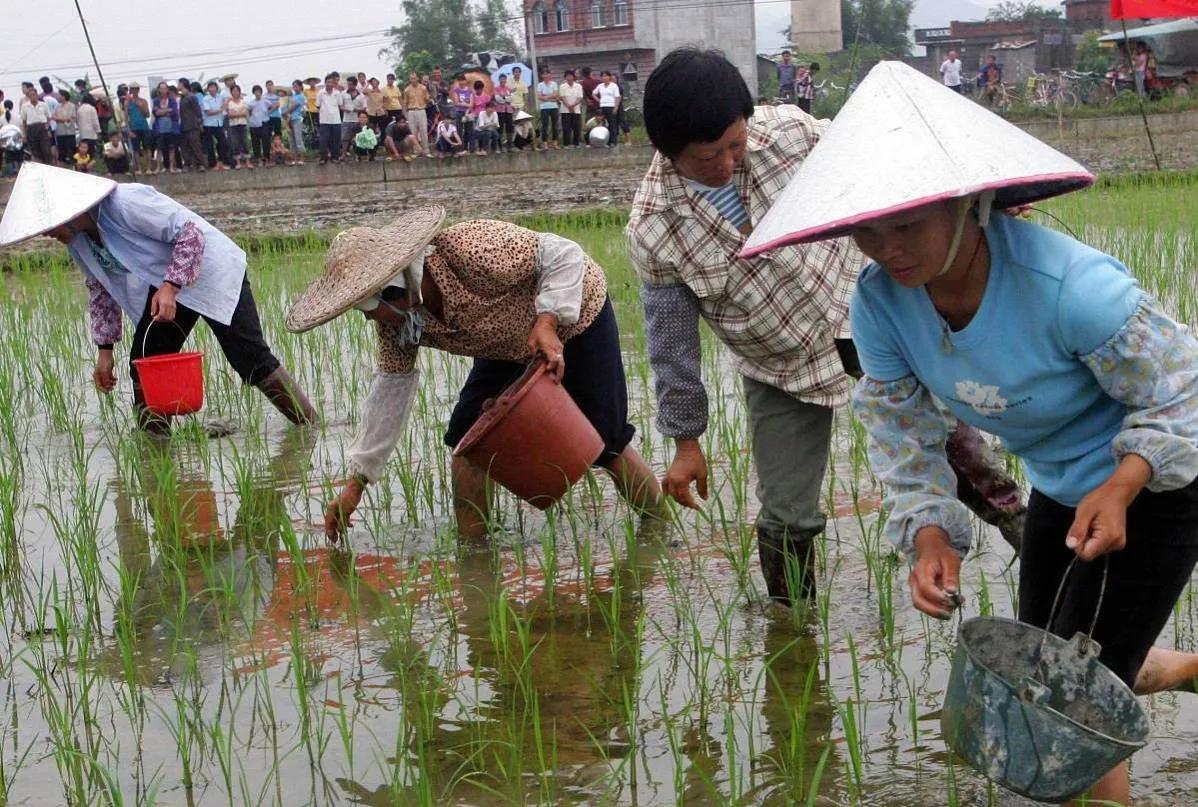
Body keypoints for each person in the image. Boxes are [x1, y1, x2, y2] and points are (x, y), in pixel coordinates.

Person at [747, 60, 1198, 806]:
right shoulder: (881, 305)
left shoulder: (1072, 289)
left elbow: (1184, 391)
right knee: (1042, 671)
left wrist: (1124, 484)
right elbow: (900, 429)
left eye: (905, 224)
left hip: (1161, 485)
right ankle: (1179, 668)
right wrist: (931, 534)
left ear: (965, 203)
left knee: (1069, 710)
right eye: (866, 229)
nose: (887, 248)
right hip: (1060, 487)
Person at [628, 48, 1025, 606]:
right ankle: (793, 623)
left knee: (963, 458)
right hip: (779, 365)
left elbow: (890, 159)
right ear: (668, 152)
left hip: (867, 319)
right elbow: (673, 348)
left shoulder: (789, 134)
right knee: (786, 514)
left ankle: (1041, 549)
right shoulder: (654, 228)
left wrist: (985, 200)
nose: (727, 163)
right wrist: (686, 442)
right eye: (707, 157)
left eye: (735, 145)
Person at [283, 208, 664, 542]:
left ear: (395, 292)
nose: (370, 320)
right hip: (503, 346)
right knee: (468, 441)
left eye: (368, 310)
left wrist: (548, 320)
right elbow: (389, 392)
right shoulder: (398, 325)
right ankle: (474, 547)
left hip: (575, 320)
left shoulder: (469, 247)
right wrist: (357, 483)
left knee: (606, 441)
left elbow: (563, 253)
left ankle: (660, 530)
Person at [0, 163, 318, 433]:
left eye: (45, 225)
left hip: (210, 270)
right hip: (167, 283)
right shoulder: (78, 241)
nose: (44, 233)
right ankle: (155, 450)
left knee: (250, 357)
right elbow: (100, 288)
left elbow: (190, 233)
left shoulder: (125, 202)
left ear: (67, 211)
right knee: (145, 361)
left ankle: (310, 427)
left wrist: (170, 286)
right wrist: (105, 350)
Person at [19, 85, 53, 164]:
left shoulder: (43, 105)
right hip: (31, 129)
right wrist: (24, 135)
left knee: (46, 150)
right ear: (28, 97)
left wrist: (48, 129)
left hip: (42, 128)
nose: (32, 97)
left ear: (37, 95)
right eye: (30, 95)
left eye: (34, 95)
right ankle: (40, 167)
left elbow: (48, 118)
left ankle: (48, 166)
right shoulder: (25, 106)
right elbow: (24, 122)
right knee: (35, 151)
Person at [201, 81, 230, 170]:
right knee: (209, 145)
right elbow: (209, 112)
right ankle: (212, 164)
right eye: (210, 87)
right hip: (208, 124)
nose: (212, 89)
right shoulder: (205, 99)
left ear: (217, 88)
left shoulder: (220, 97)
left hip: (219, 123)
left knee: (223, 143)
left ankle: (222, 161)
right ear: (208, 89)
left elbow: (228, 99)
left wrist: (225, 106)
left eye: (214, 87)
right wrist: (220, 109)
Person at [124, 83, 153, 175]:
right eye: (132, 89)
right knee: (136, 149)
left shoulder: (143, 101)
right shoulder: (127, 102)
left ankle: (149, 168)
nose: (134, 91)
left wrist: (140, 106)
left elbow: (147, 115)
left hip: (144, 127)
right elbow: (126, 117)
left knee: (147, 147)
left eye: (136, 89)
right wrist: (128, 130)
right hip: (133, 127)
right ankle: (139, 168)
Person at [177, 80, 205, 172]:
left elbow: (198, 110)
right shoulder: (182, 97)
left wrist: (200, 123)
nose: (178, 85)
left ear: (183, 85)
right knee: (185, 147)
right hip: (184, 125)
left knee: (196, 146)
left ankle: (200, 164)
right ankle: (187, 164)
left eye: (179, 84)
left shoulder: (191, 96)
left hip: (193, 125)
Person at [316, 74, 344, 164]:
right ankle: (323, 158)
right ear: (325, 83)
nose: (330, 84)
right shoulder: (321, 93)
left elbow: (340, 105)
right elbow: (318, 106)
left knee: (336, 140)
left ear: (334, 83)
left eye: (331, 82)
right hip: (324, 120)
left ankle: (335, 157)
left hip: (336, 119)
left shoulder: (337, 93)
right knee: (323, 140)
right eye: (328, 82)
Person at [152, 83, 179, 174]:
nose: (163, 90)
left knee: (172, 148)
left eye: (164, 88)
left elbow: (174, 111)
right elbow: (156, 113)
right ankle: (158, 167)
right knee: (159, 148)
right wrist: (167, 110)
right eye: (161, 88)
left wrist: (162, 111)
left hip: (171, 128)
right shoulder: (156, 100)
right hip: (160, 128)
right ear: (159, 90)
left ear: (167, 89)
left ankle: (171, 167)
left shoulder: (171, 100)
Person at [402, 72, 430, 155]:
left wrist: (426, 100)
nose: (413, 80)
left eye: (414, 78)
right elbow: (405, 103)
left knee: (423, 130)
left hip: (421, 110)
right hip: (411, 111)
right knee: (413, 132)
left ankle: (426, 149)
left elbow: (427, 98)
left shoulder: (423, 88)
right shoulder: (407, 90)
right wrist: (405, 115)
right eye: (411, 78)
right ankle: (416, 150)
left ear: (417, 78)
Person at [225, 85, 252, 169]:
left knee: (245, 143)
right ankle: (238, 163)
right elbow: (229, 115)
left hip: (243, 124)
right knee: (235, 144)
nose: (235, 92)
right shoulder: (229, 103)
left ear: (239, 92)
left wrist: (235, 113)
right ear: (231, 92)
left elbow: (245, 113)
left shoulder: (243, 102)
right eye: (233, 91)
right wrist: (239, 113)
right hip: (233, 126)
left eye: (237, 90)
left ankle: (248, 162)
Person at [592, 71, 621, 148]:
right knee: (603, 124)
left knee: (612, 125)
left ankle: (613, 142)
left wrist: (616, 107)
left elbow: (617, 97)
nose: (604, 78)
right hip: (603, 107)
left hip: (611, 106)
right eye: (603, 76)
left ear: (609, 77)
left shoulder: (614, 85)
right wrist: (599, 100)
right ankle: (605, 141)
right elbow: (593, 93)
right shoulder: (600, 86)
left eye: (606, 76)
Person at [52, 89, 78, 167]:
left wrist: (60, 119)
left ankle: (73, 164)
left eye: (59, 95)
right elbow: (53, 117)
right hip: (60, 131)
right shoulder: (57, 106)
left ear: (63, 96)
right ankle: (62, 164)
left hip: (70, 131)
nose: (58, 97)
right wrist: (63, 119)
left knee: (71, 148)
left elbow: (72, 117)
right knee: (61, 149)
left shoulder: (71, 105)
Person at [248, 85, 273, 167]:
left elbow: (272, 107)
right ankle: (259, 160)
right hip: (254, 124)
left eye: (258, 91)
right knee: (255, 142)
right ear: (253, 93)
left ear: (261, 92)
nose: (257, 93)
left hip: (264, 122)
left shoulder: (266, 101)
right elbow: (249, 112)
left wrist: (268, 113)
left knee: (266, 141)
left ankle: (267, 159)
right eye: (255, 91)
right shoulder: (251, 103)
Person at [559, 69, 584, 148]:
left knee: (576, 127)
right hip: (565, 110)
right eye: (567, 76)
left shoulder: (578, 86)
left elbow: (580, 97)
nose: (569, 77)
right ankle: (566, 144)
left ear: (573, 77)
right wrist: (568, 106)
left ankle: (576, 143)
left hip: (576, 110)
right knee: (566, 128)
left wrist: (573, 105)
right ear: (565, 77)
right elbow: (562, 97)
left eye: (570, 76)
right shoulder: (562, 86)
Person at [536, 67, 560, 150]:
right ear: (542, 75)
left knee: (555, 126)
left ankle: (555, 143)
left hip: (554, 107)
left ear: (550, 75)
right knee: (544, 126)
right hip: (544, 107)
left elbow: (556, 94)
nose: (546, 75)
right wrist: (551, 98)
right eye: (544, 74)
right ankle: (545, 144)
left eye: (547, 73)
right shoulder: (540, 85)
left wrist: (545, 97)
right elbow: (539, 97)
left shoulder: (554, 84)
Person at [285, 80, 307, 164]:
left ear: (301, 87)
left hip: (297, 119)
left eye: (296, 86)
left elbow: (293, 107)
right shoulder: (292, 96)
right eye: (293, 86)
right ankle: (294, 158)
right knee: (291, 140)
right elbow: (287, 106)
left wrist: (286, 112)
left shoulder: (301, 96)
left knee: (298, 140)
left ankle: (302, 158)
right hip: (289, 119)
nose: (295, 88)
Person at [492, 74, 515, 152]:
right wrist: (506, 98)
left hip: (509, 110)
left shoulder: (508, 88)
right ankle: (500, 146)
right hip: (500, 111)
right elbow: (498, 99)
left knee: (510, 128)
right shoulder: (496, 88)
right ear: (499, 80)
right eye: (501, 79)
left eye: (504, 79)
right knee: (500, 128)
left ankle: (509, 146)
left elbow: (511, 99)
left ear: (506, 80)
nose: (503, 80)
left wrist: (504, 97)